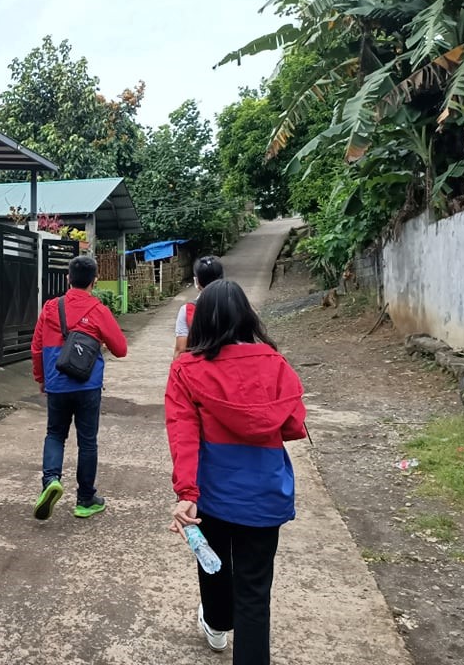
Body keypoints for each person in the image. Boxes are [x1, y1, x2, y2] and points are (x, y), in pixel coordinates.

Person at [164, 280, 307, 664]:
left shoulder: (186, 369)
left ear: (202, 323)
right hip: (266, 491)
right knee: (255, 594)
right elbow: (293, 423)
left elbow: (183, 434)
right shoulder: (275, 363)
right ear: (247, 316)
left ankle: (215, 621)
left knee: (212, 561)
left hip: (211, 493)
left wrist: (186, 494)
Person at [31, 255, 128, 520]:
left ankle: (51, 480)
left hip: (57, 383)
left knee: (54, 434)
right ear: (94, 281)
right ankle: (85, 500)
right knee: (87, 442)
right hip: (88, 385)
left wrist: (42, 378)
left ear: (68, 279)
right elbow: (121, 349)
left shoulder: (51, 307)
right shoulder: (98, 309)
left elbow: (37, 346)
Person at [173, 255, 224, 359]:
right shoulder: (235, 304)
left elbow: (181, 350)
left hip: (199, 369)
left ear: (197, 281)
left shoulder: (187, 310)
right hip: (231, 368)